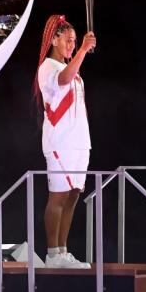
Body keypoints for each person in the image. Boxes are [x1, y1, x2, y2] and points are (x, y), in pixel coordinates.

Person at [34, 14, 96, 268]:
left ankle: (62, 252)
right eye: (68, 40)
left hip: (80, 142)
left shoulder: (72, 69)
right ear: (54, 39)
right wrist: (82, 50)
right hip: (60, 143)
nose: (71, 44)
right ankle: (52, 254)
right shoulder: (48, 67)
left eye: (74, 41)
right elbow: (63, 80)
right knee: (57, 197)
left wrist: (79, 52)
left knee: (72, 196)